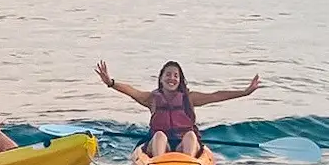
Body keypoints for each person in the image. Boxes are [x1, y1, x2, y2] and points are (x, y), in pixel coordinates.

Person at [95, 60, 260, 156]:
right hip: (160, 148)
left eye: (175, 76)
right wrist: (111, 83)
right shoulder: (152, 99)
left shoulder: (189, 98)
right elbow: (131, 91)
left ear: (180, 80)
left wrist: (245, 93)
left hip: (185, 148)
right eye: (168, 75)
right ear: (161, 79)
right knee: (159, 135)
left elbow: (216, 95)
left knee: (190, 135)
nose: (171, 78)